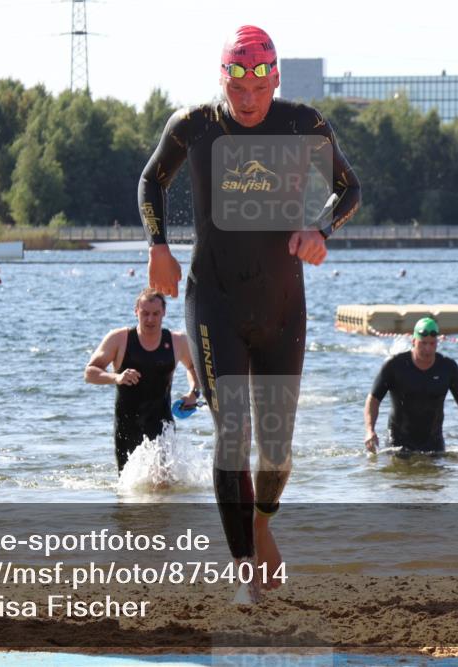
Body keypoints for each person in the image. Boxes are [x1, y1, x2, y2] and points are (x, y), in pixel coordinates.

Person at [137, 25, 361, 601]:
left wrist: (321, 228)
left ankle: (261, 522)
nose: (248, 97)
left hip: (284, 306)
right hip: (214, 303)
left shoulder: (303, 124)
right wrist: (158, 245)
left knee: (278, 447)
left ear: (274, 80)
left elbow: (349, 188)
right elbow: (150, 180)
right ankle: (244, 573)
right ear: (223, 79)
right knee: (232, 434)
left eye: (259, 85)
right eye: (237, 84)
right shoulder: (195, 124)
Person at [84, 288, 200, 472]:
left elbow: (195, 368)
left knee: (164, 484)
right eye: (145, 313)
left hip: (162, 424)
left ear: (164, 313)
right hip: (127, 426)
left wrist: (194, 393)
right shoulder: (119, 338)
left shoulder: (178, 341)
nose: (150, 319)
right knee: (129, 488)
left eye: (155, 314)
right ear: (136, 311)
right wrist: (117, 377)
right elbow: (90, 372)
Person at [364, 318, 458, 456]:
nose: (427, 349)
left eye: (432, 343)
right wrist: (370, 430)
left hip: (434, 445)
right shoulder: (395, 365)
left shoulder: (448, 368)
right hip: (397, 446)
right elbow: (373, 399)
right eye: (423, 343)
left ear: (437, 342)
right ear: (413, 341)